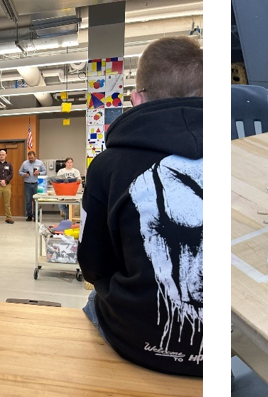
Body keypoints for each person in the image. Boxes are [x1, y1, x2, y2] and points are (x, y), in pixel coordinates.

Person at [78, 36, 203, 377]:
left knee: (91, 303)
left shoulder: (107, 166)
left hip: (138, 340)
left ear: (136, 99)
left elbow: (92, 265)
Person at [18, 150, 46, 221]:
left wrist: (39, 173)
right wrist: (24, 174)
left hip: (37, 184)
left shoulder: (40, 163)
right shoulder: (24, 163)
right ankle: (29, 216)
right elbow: (19, 172)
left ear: (35, 157)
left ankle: (36, 216)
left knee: (36, 200)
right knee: (28, 201)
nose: (31, 159)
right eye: (29, 158)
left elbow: (45, 171)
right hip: (27, 184)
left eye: (32, 158)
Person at [0, 149, 15, 224]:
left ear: (6, 155)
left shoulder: (9, 164)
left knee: (7, 203)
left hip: (7, 185)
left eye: (3, 154)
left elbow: (11, 174)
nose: (1, 156)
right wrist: (0, 181)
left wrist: (5, 181)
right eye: (0, 154)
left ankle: (8, 218)